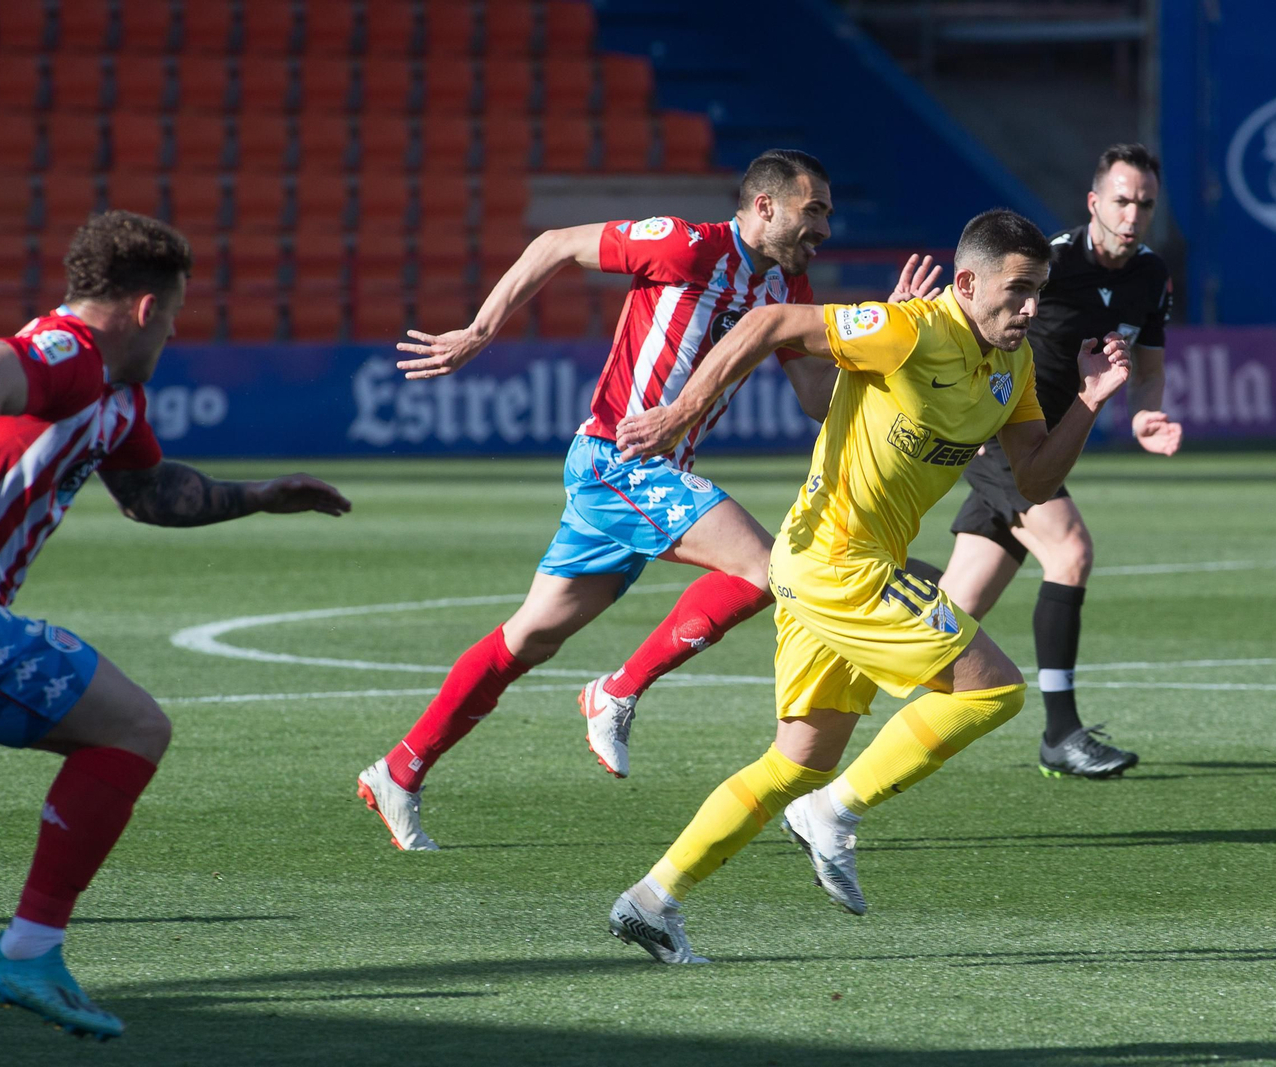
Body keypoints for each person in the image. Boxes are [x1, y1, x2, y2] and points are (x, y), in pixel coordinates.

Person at [0, 210, 351, 1039]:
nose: (178, 331)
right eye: (178, 313)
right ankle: (28, 949)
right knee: (133, 726)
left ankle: (28, 951)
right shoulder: (68, 352)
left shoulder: (114, 397)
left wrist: (259, 496)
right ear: (147, 308)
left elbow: (151, 495)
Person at [354, 150, 943, 850]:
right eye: (813, 210)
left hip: (648, 478)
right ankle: (618, 689)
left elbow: (817, 398)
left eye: (827, 213)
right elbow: (554, 244)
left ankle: (399, 767)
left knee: (530, 636)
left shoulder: (789, 285)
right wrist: (480, 331)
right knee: (769, 568)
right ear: (764, 206)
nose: (824, 225)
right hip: (615, 463)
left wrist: (884, 343)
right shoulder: (684, 245)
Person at [604, 208, 1130, 963]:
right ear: (968, 281)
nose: (1030, 308)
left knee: (798, 759)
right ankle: (835, 811)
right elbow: (768, 324)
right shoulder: (909, 329)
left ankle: (652, 899)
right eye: (1017, 291)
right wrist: (679, 413)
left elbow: (1033, 477)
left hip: (827, 567)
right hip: (838, 562)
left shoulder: (1009, 367)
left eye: (1039, 292)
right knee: (992, 691)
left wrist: (1090, 398)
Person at [902, 144, 1178, 780]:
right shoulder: (1048, 264)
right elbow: (963, 314)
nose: (1133, 214)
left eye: (1145, 203)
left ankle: (854, 652)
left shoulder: (1150, 275)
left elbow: (1149, 368)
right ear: (1094, 202)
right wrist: (959, 405)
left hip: (1045, 450)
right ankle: (1062, 732)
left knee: (954, 608)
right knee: (1071, 551)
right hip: (999, 438)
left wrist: (1145, 414)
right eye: (1122, 200)